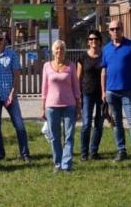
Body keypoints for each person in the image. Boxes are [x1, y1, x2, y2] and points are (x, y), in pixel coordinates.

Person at [101, 20, 131, 165]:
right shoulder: (106, 49)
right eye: (112, 29)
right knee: (117, 123)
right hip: (111, 92)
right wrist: (103, 91)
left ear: (122, 29)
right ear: (109, 32)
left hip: (128, 91)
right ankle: (121, 150)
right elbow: (104, 70)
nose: (115, 31)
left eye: (118, 28)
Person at [0, 28, 31, 162]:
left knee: (19, 125)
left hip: (10, 95)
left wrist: (13, 93)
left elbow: (16, 76)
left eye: (0, 39)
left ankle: (25, 153)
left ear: (4, 40)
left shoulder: (12, 55)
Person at [42, 40, 81, 173]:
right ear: (53, 51)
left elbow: (76, 87)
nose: (59, 51)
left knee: (69, 136)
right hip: (51, 106)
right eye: (57, 49)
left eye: (62, 49)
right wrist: (43, 107)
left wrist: (78, 106)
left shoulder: (71, 66)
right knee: (54, 136)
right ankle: (57, 163)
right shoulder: (46, 66)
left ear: (65, 51)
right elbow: (44, 88)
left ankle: (66, 164)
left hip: (69, 105)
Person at [77, 30, 104, 160]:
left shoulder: (104, 56)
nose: (94, 41)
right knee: (86, 123)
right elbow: (78, 77)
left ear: (100, 41)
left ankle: (94, 152)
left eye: (96, 39)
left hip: (101, 94)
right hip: (87, 93)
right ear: (88, 41)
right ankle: (84, 152)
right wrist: (77, 94)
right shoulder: (82, 57)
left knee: (99, 123)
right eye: (91, 39)